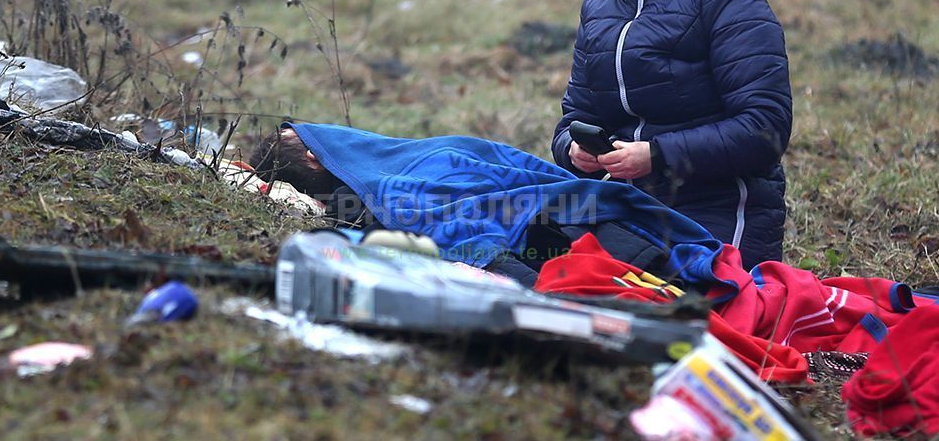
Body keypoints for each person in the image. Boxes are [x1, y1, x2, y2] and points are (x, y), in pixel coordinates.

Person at [552, 0, 792, 269]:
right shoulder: (599, 4)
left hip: (714, 210)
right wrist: (574, 151)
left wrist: (656, 156)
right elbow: (574, 115)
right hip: (624, 202)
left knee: (665, 310)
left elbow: (765, 127)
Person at [251, 123, 725, 287]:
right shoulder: (382, 194)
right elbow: (464, 232)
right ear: (315, 155)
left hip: (589, 228)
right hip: (590, 238)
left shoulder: (369, 192)